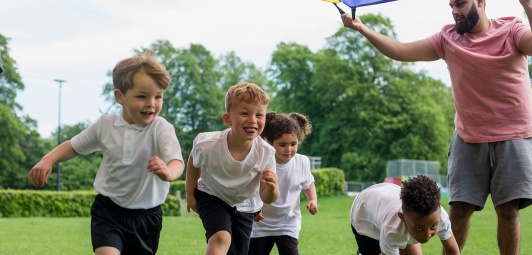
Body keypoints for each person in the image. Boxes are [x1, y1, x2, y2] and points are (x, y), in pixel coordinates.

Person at [341, 0, 532, 253]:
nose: (454, 11)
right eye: (451, 5)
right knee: (458, 210)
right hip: (468, 137)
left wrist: (527, 4)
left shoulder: (512, 29)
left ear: (480, 2)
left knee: (507, 211)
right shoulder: (447, 38)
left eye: (460, 4)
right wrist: (362, 28)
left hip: (514, 135)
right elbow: (401, 50)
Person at [27, 50, 185, 255]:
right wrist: (47, 160)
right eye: (142, 96)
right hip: (109, 211)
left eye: (158, 96)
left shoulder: (161, 128)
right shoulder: (105, 126)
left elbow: (176, 161)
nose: (151, 104)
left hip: (147, 218)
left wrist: (169, 172)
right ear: (120, 96)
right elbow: (73, 145)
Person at [185, 82, 279, 255]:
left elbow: (266, 197)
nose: (252, 120)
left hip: (243, 205)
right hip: (212, 195)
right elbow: (194, 160)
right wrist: (190, 194)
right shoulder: (207, 145)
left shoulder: (266, 153)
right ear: (228, 119)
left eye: (259, 115)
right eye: (244, 113)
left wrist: (272, 189)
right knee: (221, 238)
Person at [249, 112, 318, 255]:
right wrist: (254, 208)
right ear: (269, 142)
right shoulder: (262, 162)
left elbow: (308, 183)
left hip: (288, 223)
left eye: (293, 144)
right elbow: (250, 188)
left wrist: (313, 199)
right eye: (282, 145)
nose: (289, 150)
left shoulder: (302, 162)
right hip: (260, 224)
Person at [350, 175, 460, 255]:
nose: (427, 235)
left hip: (387, 204)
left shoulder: (440, 216)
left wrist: (417, 228)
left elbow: (453, 251)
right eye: (419, 228)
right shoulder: (392, 229)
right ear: (402, 217)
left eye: (433, 227)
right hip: (364, 217)